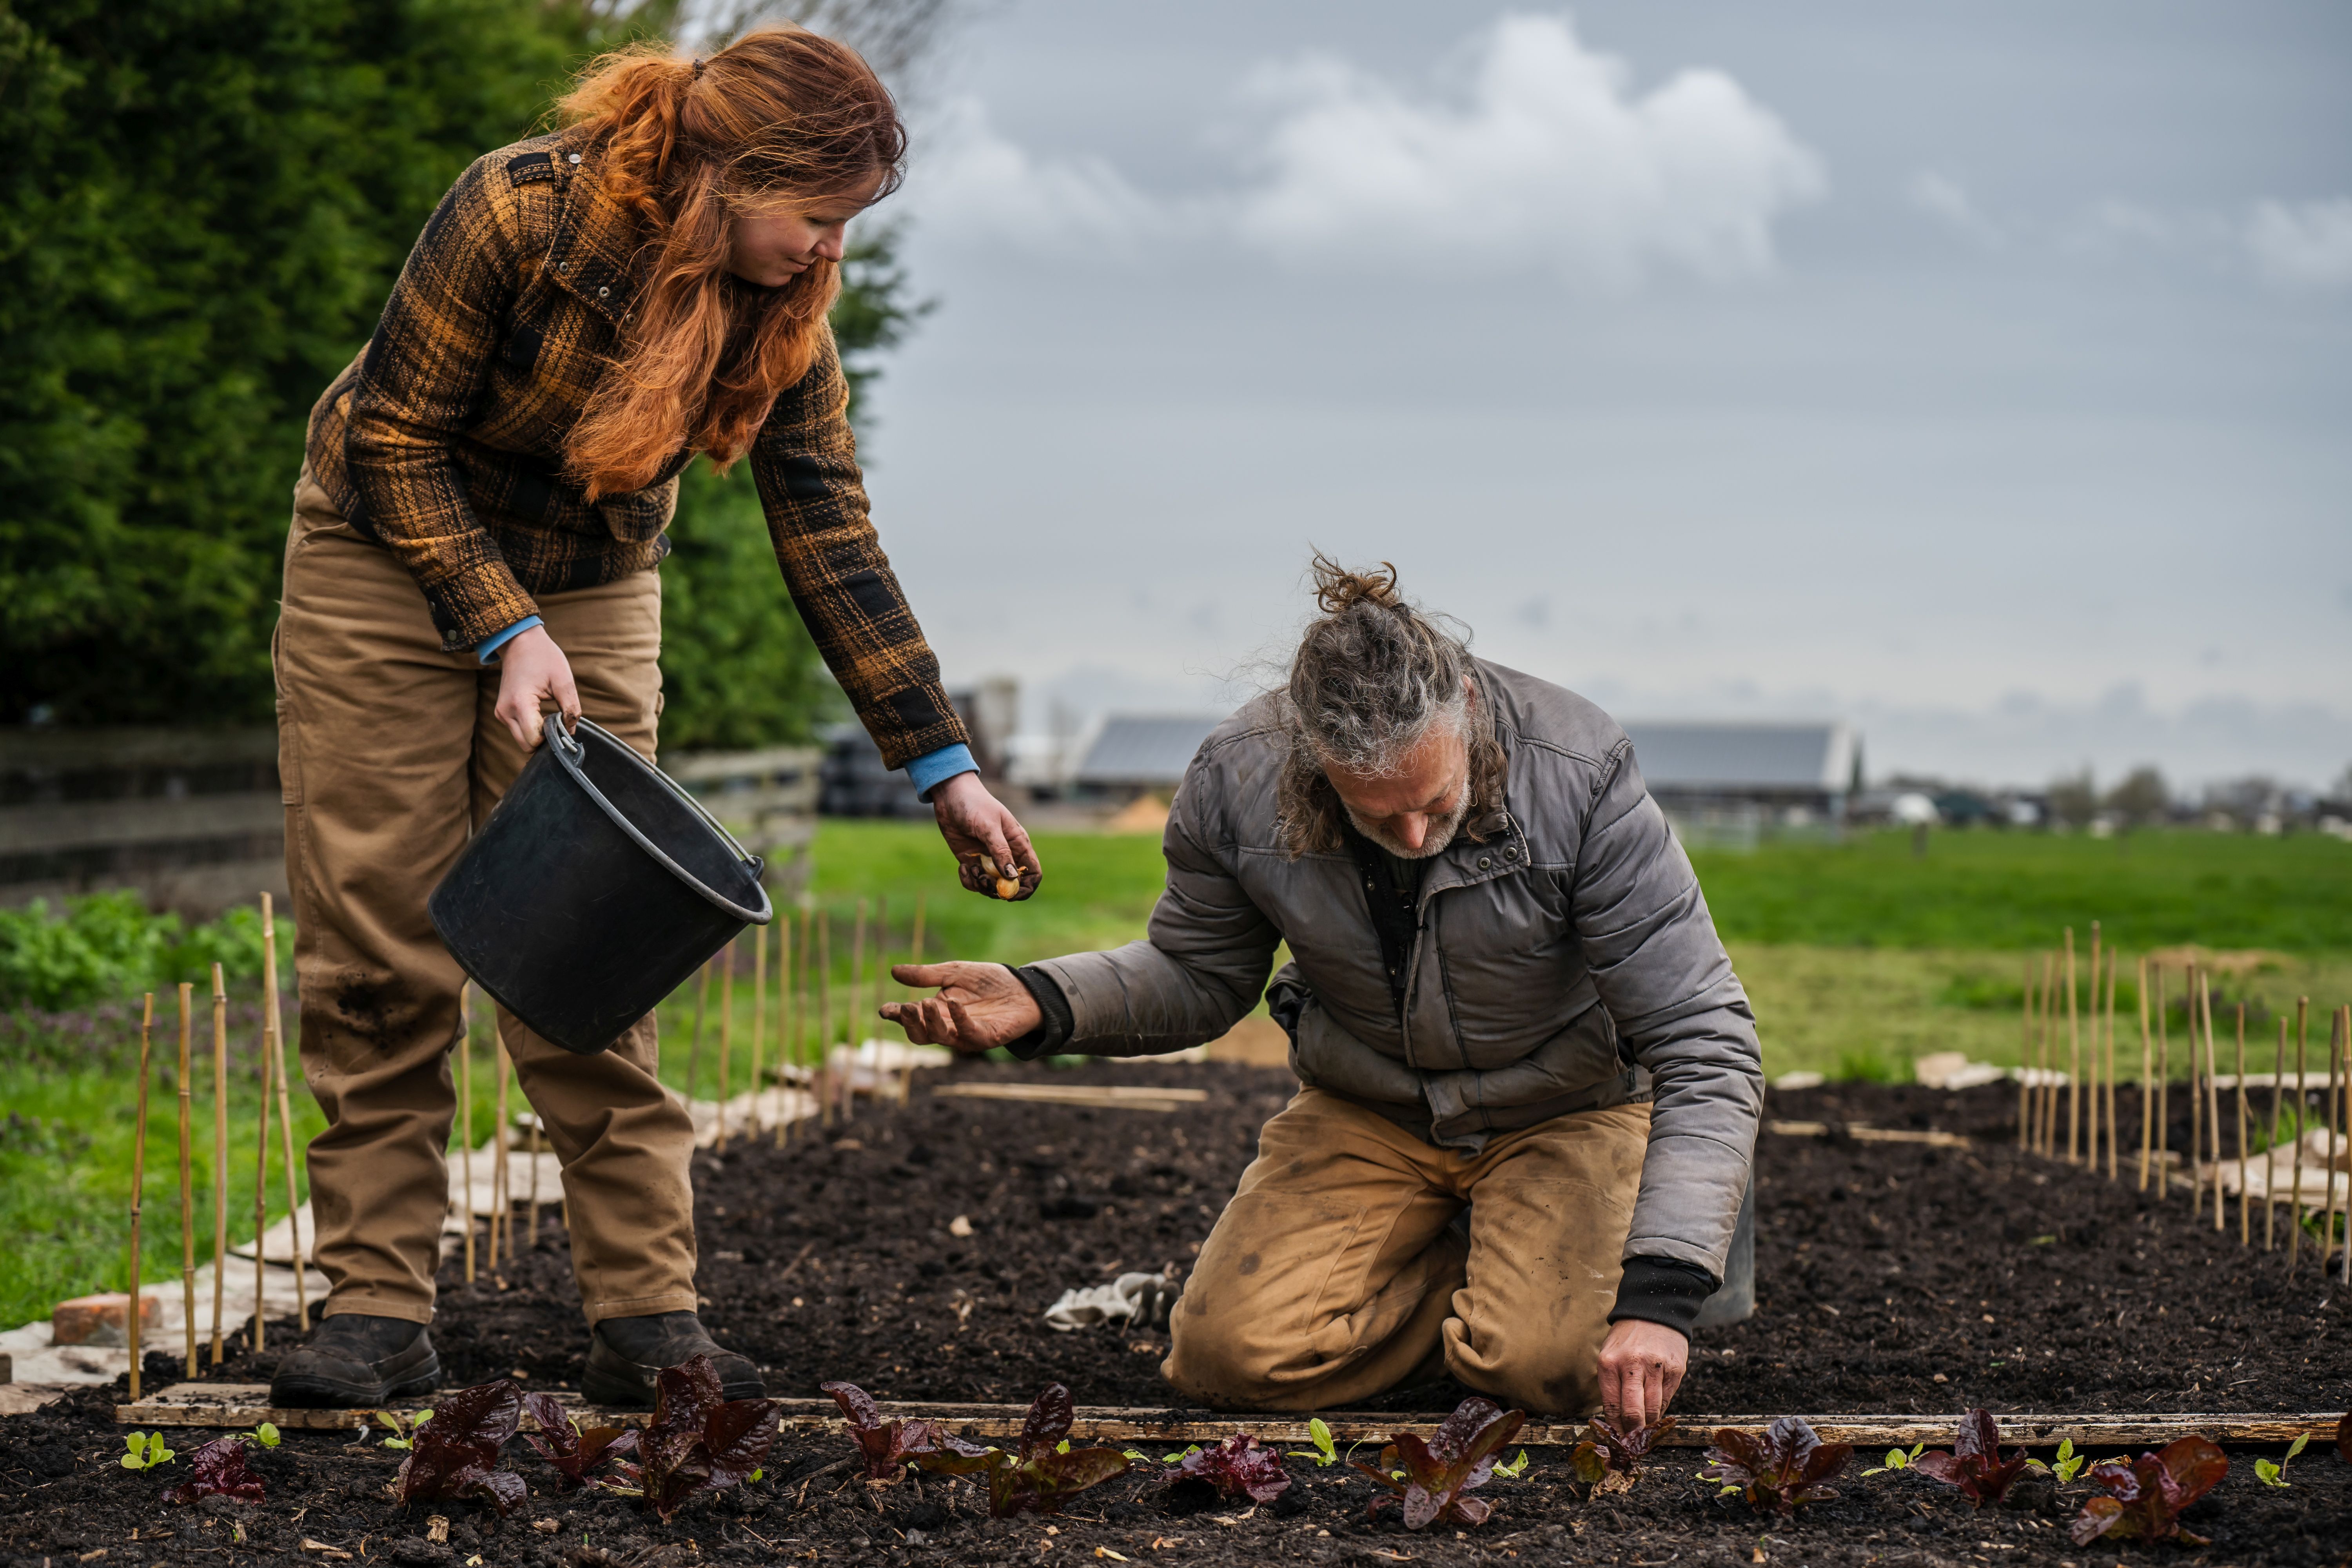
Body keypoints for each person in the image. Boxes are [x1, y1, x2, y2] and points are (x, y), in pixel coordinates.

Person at [269, 28, 1036, 1409]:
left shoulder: (782, 303)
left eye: (844, 227)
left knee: (601, 923)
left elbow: (829, 530)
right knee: (380, 932)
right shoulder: (519, 210)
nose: (823, 253)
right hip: (384, 552)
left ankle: (646, 1314)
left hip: (595, 580)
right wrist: (502, 625)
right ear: (724, 175)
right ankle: (377, 1306)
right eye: (812, 216)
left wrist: (941, 765)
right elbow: (391, 435)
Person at [884, 558, 1762, 1426]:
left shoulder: (1578, 771)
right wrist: (1044, 997)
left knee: (1558, 1367)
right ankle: (1481, 1276)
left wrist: (1661, 1290)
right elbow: (1198, 971)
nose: (1416, 834)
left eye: (1436, 799)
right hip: (1372, 1103)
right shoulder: (1238, 776)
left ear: (1462, 705)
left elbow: (1703, 1033)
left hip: (1567, 1103)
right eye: (1378, 815)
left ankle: (1519, 1291)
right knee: (1227, 1359)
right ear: (1310, 757)